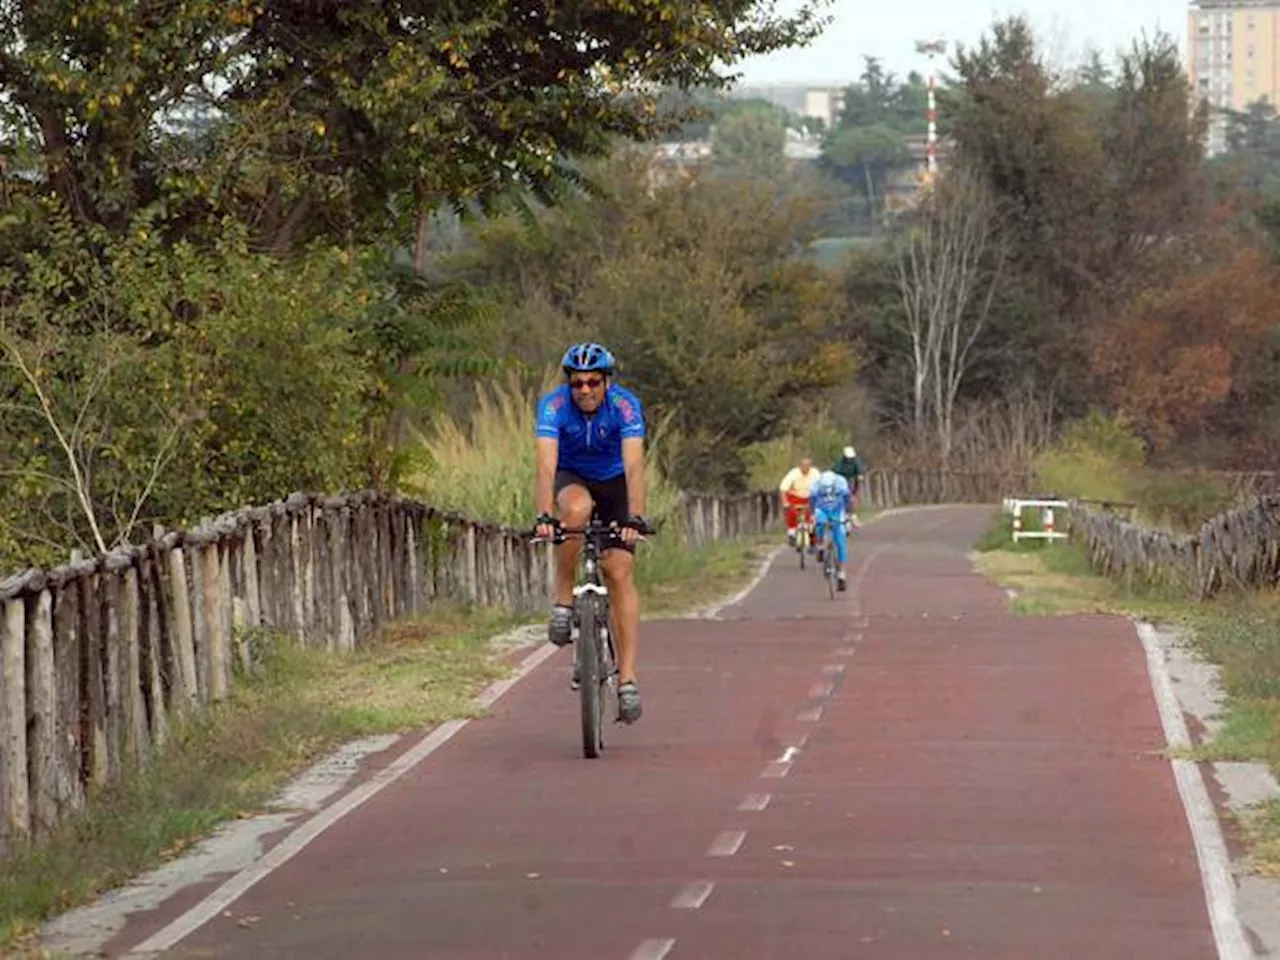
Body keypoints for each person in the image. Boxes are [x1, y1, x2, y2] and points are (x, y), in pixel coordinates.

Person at [533, 342, 649, 724]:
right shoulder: (553, 406)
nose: (585, 390)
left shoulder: (626, 406)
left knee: (618, 572)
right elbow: (546, 465)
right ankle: (564, 602)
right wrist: (544, 515)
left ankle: (628, 679)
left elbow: (634, 466)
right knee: (576, 512)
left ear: (607, 382)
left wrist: (635, 517)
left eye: (593, 382)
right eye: (577, 383)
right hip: (573, 478)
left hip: (615, 482)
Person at [810, 468, 853, 591]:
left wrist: (848, 515)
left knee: (840, 541)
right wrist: (813, 514)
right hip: (822, 509)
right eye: (825, 490)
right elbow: (812, 501)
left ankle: (842, 574)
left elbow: (847, 499)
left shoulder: (841, 482)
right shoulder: (816, 483)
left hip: (837, 510)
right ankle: (820, 545)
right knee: (819, 525)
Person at [778, 456, 820, 546]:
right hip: (795, 496)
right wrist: (785, 502)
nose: (806, 468)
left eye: (808, 466)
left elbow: (820, 487)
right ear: (799, 466)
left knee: (812, 517)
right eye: (803, 466)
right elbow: (783, 488)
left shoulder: (815, 473)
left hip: (810, 497)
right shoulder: (793, 474)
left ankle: (812, 540)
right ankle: (792, 532)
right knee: (791, 512)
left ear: (811, 466)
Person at [832, 445, 865, 529]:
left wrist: (860, 475)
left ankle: (854, 516)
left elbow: (860, 469)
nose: (849, 459)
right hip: (841, 480)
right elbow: (835, 470)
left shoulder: (856, 461)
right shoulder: (840, 461)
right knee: (838, 497)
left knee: (852, 498)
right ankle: (839, 516)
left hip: (852, 480)